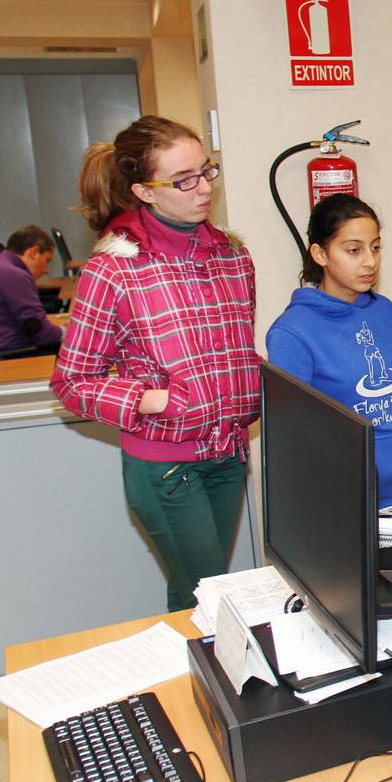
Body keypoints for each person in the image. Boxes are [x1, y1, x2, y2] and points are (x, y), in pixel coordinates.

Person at [51, 116, 261, 612]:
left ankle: (185, 677)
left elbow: (234, 348)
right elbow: (72, 382)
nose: (203, 188)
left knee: (193, 587)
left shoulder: (233, 256)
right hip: (165, 466)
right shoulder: (115, 269)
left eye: (206, 171)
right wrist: (153, 399)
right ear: (145, 192)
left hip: (227, 454)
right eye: (183, 180)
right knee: (212, 593)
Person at [266, 194, 392, 510]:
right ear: (320, 254)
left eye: (375, 247)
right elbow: (293, 437)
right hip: (347, 496)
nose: (370, 261)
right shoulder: (292, 332)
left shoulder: (385, 311)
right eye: (354, 250)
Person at [0, 224, 61, 356]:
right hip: (6, 356)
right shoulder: (15, 275)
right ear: (33, 252)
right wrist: (73, 333)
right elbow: (41, 333)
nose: (46, 270)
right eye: (47, 261)